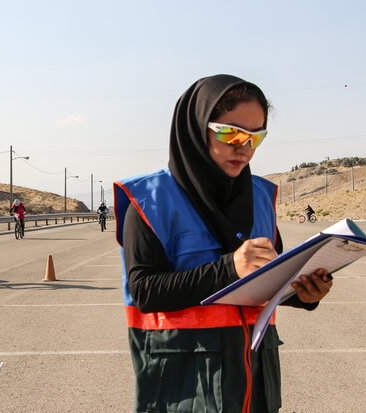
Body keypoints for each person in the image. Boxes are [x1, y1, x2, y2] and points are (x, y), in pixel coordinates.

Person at [113, 74, 333, 412]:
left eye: (256, 137)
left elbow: (265, 281)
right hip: (183, 383)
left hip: (254, 377)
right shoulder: (150, 200)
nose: (244, 148)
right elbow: (145, 291)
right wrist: (229, 268)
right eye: (231, 133)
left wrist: (301, 294)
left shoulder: (262, 197)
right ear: (198, 127)